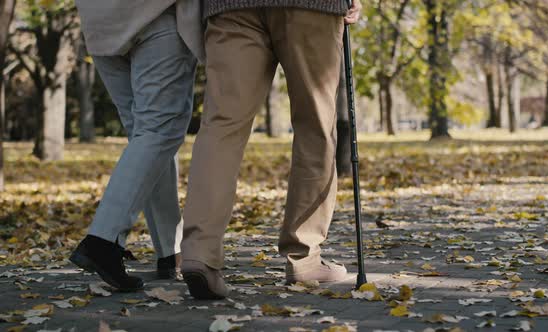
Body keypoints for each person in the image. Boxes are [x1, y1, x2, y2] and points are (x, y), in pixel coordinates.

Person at [180, 0, 363, 299]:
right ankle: (303, 256)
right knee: (315, 127)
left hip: (231, 7)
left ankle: (199, 252)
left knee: (221, 126)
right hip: (311, 6)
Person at [69, 0, 204, 291]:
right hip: (155, 15)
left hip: (100, 21)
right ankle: (102, 241)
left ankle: (170, 251)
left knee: (147, 139)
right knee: (158, 132)